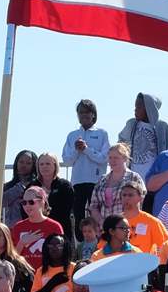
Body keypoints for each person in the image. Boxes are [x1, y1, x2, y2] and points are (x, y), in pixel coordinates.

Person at [63, 99, 111, 237]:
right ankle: (80, 244)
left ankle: (99, 241)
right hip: (77, 182)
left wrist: (86, 149)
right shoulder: (72, 135)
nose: (84, 115)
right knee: (78, 215)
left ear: (93, 114)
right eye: (81, 112)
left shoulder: (102, 133)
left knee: (96, 213)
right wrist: (77, 150)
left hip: (96, 182)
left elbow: (104, 157)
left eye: (87, 112)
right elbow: (67, 160)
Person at [118, 91, 168, 189]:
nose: (135, 109)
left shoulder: (162, 127)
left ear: (149, 108)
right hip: (133, 178)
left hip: (154, 179)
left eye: (139, 106)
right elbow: (121, 144)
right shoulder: (131, 124)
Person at [119, 180, 168, 262]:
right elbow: (103, 247)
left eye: (130, 195)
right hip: (119, 267)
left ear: (140, 197)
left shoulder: (151, 222)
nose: (126, 198)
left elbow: (167, 246)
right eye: (124, 195)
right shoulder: (114, 221)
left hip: (144, 269)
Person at [89, 143, 143, 227]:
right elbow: (93, 206)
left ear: (125, 158)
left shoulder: (134, 177)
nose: (112, 161)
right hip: (105, 229)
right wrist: (101, 221)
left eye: (116, 158)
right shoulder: (101, 180)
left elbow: (140, 202)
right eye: (110, 158)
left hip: (127, 227)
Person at [11, 185, 64, 271]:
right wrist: (22, 243)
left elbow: (61, 255)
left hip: (47, 274)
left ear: (42, 202)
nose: (27, 206)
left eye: (31, 202)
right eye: (24, 203)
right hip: (25, 275)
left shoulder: (54, 226)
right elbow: (12, 258)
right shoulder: (18, 227)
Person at [34, 151, 75, 239]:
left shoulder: (65, 185)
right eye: (41, 164)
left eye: (48, 163)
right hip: (37, 231)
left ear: (55, 165)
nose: (44, 166)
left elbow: (67, 208)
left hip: (61, 230)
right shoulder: (32, 186)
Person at [1, 149, 40, 227]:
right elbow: (2, 201)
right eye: (21, 162)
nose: (24, 165)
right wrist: (20, 188)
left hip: (33, 226)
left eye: (28, 163)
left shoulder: (38, 185)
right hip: (13, 228)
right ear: (16, 163)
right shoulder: (9, 186)